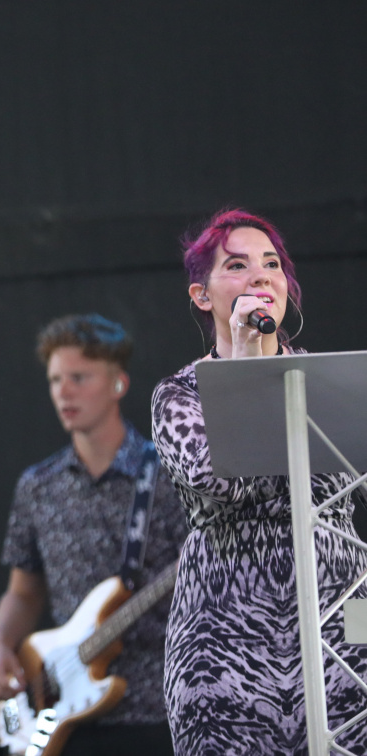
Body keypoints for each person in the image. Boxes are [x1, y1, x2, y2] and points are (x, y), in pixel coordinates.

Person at [152, 209, 367, 755]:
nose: (260, 277)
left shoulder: (332, 381)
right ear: (202, 296)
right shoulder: (180, 395)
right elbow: (227, 482)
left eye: (272, 264)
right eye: (237, 265)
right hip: (225, 643)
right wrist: (247, 365)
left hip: (343, 628)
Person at [0, 314, 187, 756]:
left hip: (160, 709)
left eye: (79, 377)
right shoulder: (38, 485)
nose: (64, 391)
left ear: (118, 384)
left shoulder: (170, 475)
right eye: (56, 380)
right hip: (67, 713)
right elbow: (23, 592)